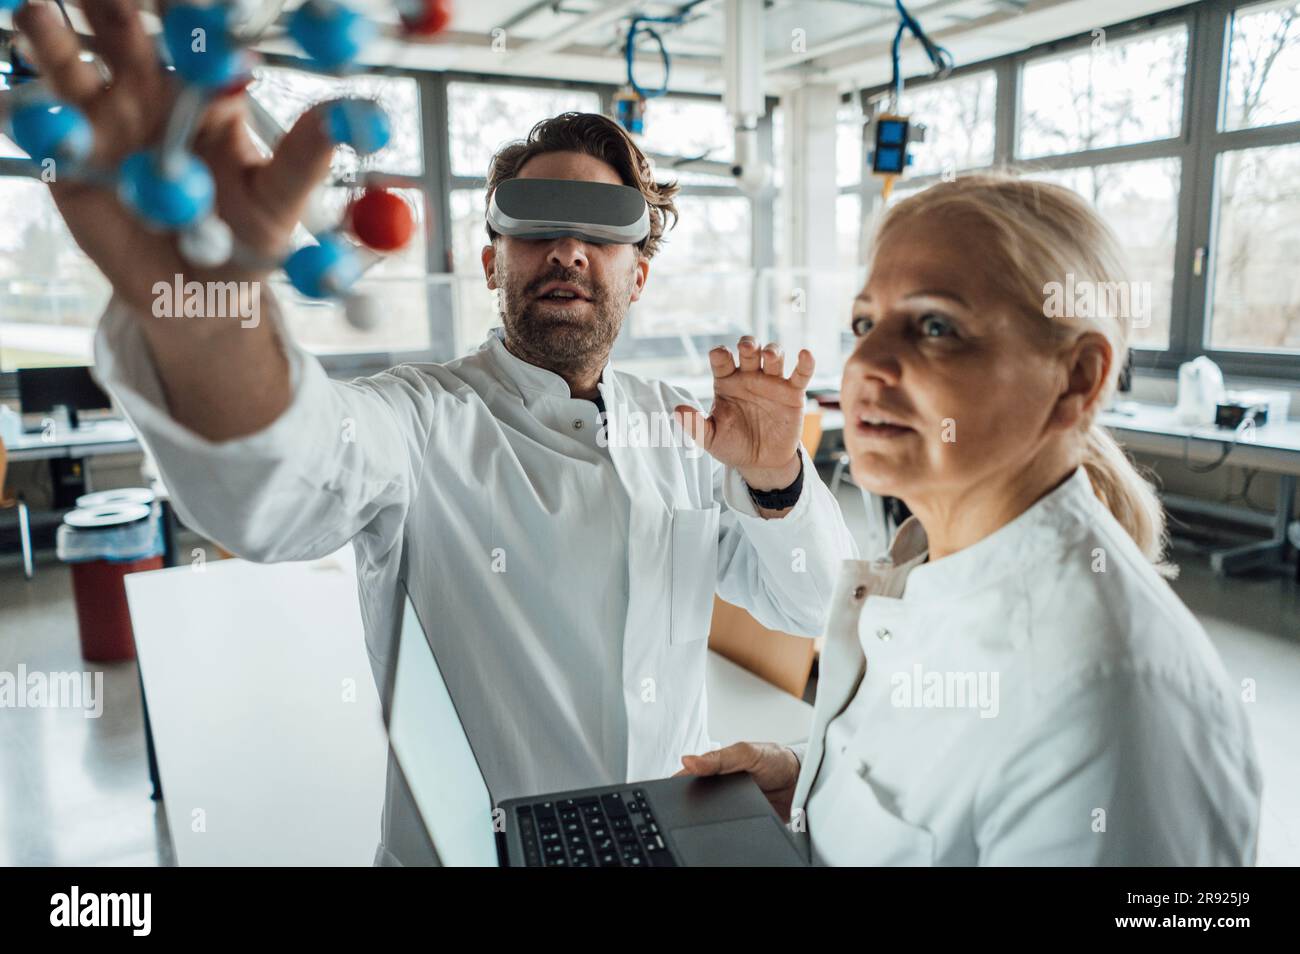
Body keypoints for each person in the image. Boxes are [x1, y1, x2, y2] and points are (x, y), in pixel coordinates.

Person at [13, 1, 855, 865]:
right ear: (492, 260)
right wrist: (208, 316)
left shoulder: (688, 432)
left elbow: (807, 602)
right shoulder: (421, 419)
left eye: (600, 232)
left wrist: (778, 481)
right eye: (536, 224)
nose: (567, 249)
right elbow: (281, 486)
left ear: (636, 274)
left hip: (659, 842)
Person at [680, 174, 1262, 865]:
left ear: (1078, 378)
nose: (865, 361)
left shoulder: (1113, 698)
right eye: (866, 323)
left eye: (936, 327)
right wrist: (809, 782)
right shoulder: (931, 568)